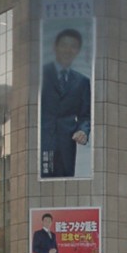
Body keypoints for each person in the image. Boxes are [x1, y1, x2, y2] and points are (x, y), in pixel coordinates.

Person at [38, 27, 93, 178]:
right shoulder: (40, 74)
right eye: (64, 45)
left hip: (66, 145)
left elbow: (86, 115)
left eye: (73, 46)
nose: (68, 50)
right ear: (55, 47)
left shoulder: (82, 82)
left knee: (65, 183)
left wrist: (83, 130)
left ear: (78, 51)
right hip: (41, 142)